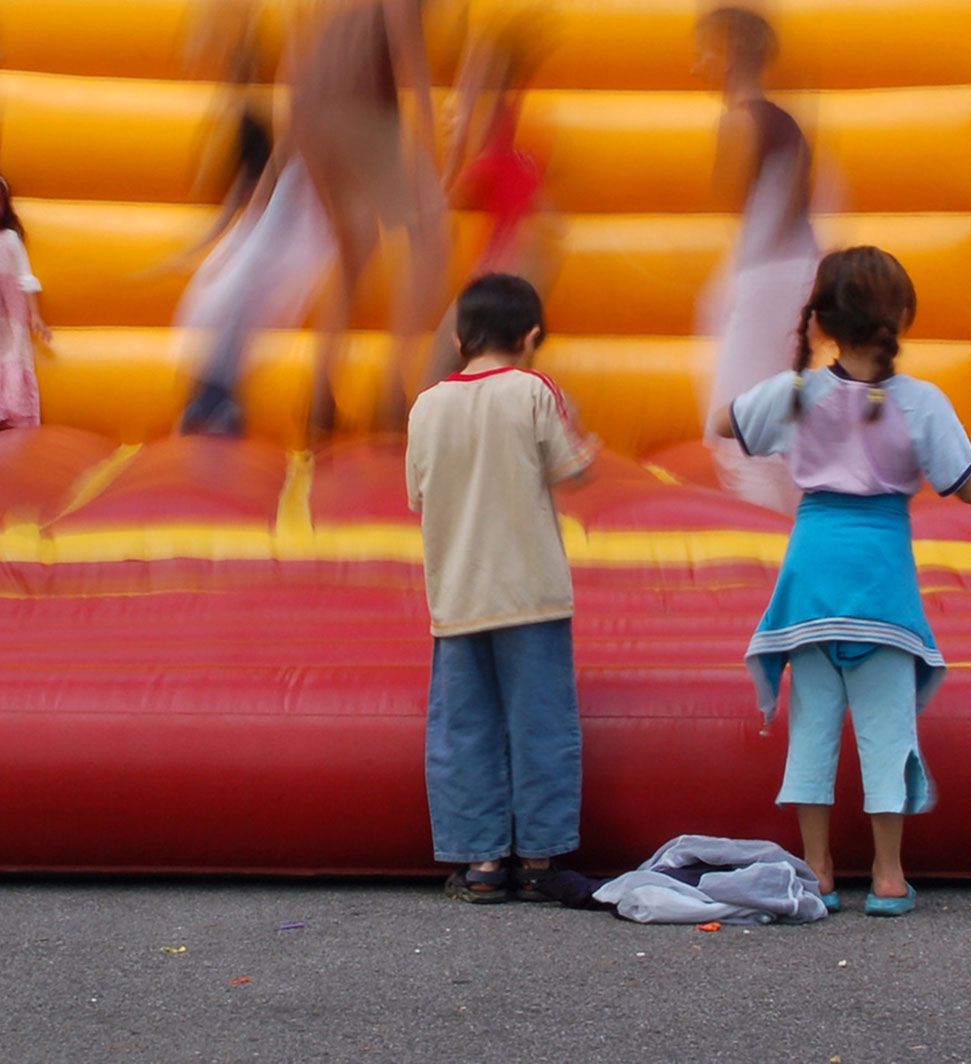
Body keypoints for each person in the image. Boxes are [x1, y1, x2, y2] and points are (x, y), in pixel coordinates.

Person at [709, 247, 971, 917]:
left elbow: (724, 425)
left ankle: (819, 868)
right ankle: (888, 875)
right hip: (881, 580)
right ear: (900, 318)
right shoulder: (921, 402)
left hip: (813, 579)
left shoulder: (798, 393)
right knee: (889, 732)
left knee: (813, 729)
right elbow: (968, 485)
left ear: (825, 321)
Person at [405, 274, 599, 903]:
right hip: (532, 593)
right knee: (539, 723)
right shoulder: (533, 390)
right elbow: (570, 469)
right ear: (532, 337)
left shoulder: (426, 404)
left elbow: (418, 495)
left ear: (460, 337)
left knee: (465, 730)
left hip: (458, 596)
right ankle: (539, 859)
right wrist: (589, 446)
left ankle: (481, 861)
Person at [164, 3, 335, 436]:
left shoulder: (267, 117)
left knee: (234, 299)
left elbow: (267, 179)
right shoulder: (255, 115)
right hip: (278, 216)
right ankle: (214, 396)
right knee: (229, 300)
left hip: (282, 217)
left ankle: (214, 397)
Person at [291, 0, 449, 436]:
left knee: (355, 250)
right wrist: (430, 125)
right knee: (430, 239)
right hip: (359, 103)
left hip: (310, 107)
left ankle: (321, 398)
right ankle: (395, 395)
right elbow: (402, 25)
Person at [695, 6, 817, 513]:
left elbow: (727, 197)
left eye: (705, 51)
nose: (696, 65)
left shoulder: (742, 119)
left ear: (730, 54)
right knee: (781, 419)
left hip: (764, 280)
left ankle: (772, 543)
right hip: (796, 274)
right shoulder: (789, 122)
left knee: (739, 429)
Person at [419, 12, 559, 388]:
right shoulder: (507, 124)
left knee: (448, 362)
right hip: (520, 252)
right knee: (503, 361)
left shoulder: (495, 123)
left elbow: (472, 181)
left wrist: (446, 188)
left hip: (510, 256)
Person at [0, 177, 50, 434]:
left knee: (4, 368)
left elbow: (25, 277)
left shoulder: (8, 239)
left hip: (6, 322)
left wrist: (35, 315)